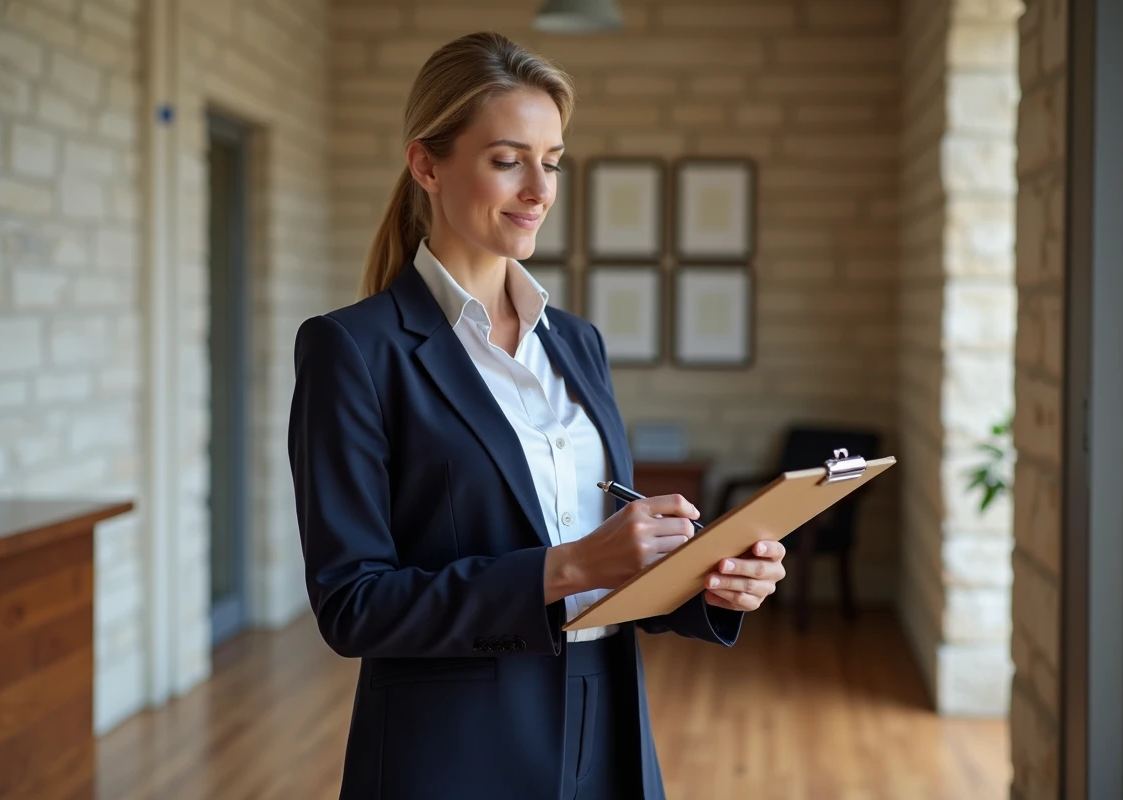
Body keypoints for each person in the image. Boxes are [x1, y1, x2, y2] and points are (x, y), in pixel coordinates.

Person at [287, 31, 787, 800]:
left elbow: (610, 565)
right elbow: (354, 606)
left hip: (609, 721)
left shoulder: (577, 343)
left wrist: (709, 582)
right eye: (506, 159)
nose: (539, 189)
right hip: (452, 750)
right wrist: (572, 567)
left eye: (551, 162)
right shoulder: (352, 350)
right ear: (427, 164)